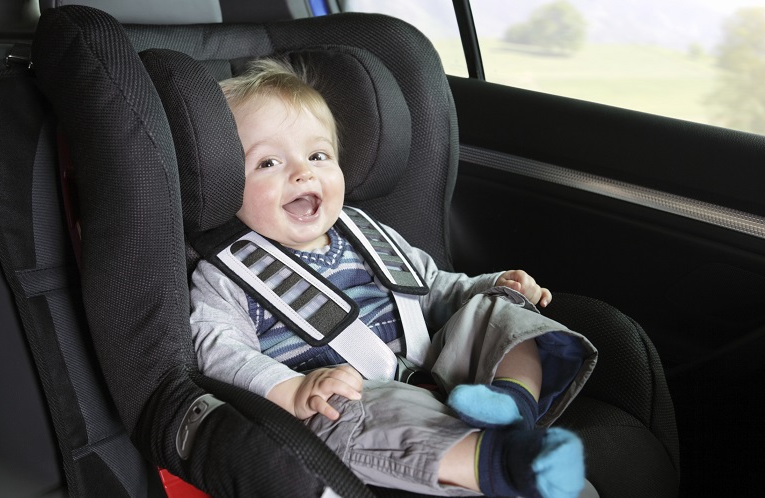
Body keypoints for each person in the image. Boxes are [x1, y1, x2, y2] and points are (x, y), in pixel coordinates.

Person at [190, 58, 598, 498]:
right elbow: (218, 349)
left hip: (441, 372)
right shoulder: (226, 274)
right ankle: (501, 463)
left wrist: (492, 287)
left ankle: (511, 404)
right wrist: (292, 389)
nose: (302, 172)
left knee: (502, 311)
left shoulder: (367, 233)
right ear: (227, 181)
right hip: (354, 398)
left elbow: (435, 288)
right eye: (268, 162)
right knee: (348, 411)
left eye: (318, 155)